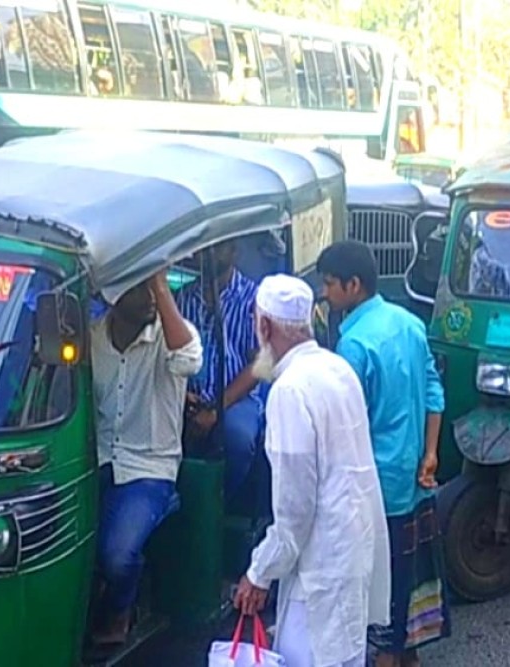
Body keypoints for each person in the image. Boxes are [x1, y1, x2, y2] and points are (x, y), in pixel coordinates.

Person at [235, 274, 391, 667]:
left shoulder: (289, 391)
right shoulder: (337, 368)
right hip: (353, 548)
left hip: (321, 566)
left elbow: (294, 511)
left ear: (265, 326)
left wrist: (258, 573)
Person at [316, 241, 450, 667]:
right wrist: (431, 452)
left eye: (330, 284)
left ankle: (386, 657)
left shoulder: (353, 345)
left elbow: (342, 424)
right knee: (405, 575)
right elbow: (433, 390)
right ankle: (404, 650)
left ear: (353, 285)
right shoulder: (409, 323)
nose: (325, 293)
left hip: (374, 485)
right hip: (414, 474)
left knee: (376, 582)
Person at [90, 272, 203, 645]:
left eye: (152, 286)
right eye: (139, 287)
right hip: (100, 461)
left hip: (149, 468)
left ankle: (121, 611)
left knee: (118, 557)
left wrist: (159, 285)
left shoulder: (172, 336)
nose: (151, 296)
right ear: (114, 296)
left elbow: (189, 360)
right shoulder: (93, 338)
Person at [174, 240, 265, 513]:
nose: (209, 255)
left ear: (234, 251)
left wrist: (216, 410)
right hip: (189, 394)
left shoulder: (253, 299)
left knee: (237, 438)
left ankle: (217, 509)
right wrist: (181, 395)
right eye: (204, 249)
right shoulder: (183, 298)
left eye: (218, 248)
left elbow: (259, 363)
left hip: (235, 398)